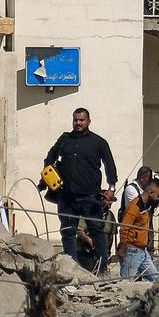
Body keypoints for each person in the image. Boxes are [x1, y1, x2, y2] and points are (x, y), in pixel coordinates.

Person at [43, 107, 116, 272]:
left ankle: (101, 269)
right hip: (67, 195)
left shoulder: (98, 142)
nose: (78, 123)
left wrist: (111, 188)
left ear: (88, 121)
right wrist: (48, 176)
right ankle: (72, 268)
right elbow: (50, 158)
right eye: (76, 120)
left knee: (97, 232)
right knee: (68, 232)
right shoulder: (64, 140)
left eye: (81, 120)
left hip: (90, 196)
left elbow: (110, 166)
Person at [116, 177, 159, 282]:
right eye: (158, 196)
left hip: (143, 251)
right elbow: (125, 227)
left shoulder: (146, 206)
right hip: (132, 251)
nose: (158, 199)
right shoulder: (135, 206)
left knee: (158, 281)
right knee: (127, 283)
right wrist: (123, 248)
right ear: (151, 192)